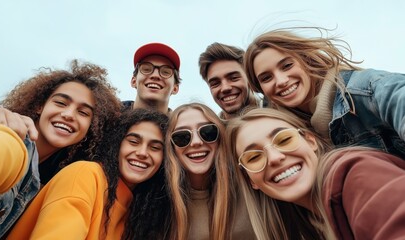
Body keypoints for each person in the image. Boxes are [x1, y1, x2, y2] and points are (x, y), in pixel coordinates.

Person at [0, 59, 122, 239]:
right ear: (40, 106)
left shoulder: (58, 180)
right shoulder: (11, 138)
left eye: (83, 113)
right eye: (61, 103)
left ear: (91, 128)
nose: (68, 115)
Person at [226, 107, 405, 239]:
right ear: (251, 180)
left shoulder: (356, 172)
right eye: (254, 157)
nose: (274, 157)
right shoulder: (302, 225)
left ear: (310, 141)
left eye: (284, 139)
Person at [7, 108, 171, 239]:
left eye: (155, 147)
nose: (142, 152)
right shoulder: (85, 174)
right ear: (117, 145)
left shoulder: (139, 214)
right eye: (133, 142)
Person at [243, 27, 405, 159]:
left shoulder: (365, 89)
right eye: (266, 78)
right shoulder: (287, 135)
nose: (280, 81)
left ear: (306, 59)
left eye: (286, 66)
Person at [165, 102, 256, 240]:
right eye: (182, 136)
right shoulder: (159, 204)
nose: (196, 142)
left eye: (207, 132)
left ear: (220, 137)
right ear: (171, 146)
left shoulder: (250, 185)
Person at [199, 42, 263, 120]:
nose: (225, 88)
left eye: (234, 78)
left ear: (249, 78)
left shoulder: (277, 113)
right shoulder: (212, 130)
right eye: (215, 83)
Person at [122, 42, 181, 114]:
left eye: (165, 72)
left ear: (175, 88)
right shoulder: (107, 118)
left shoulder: (181, 124)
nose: (155, 75)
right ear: (133, 81)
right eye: (146, 69)